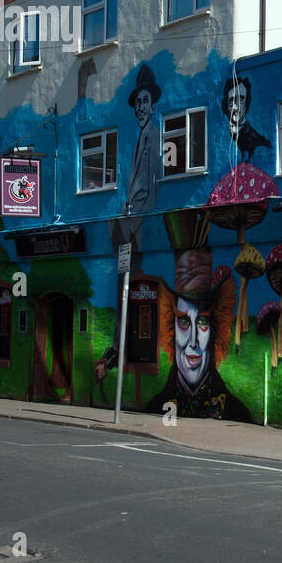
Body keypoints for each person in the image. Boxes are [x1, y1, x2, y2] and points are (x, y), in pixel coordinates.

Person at [147, 212, 249, 421]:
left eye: (202, 321)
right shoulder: (155, 406)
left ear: (215, 330)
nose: (193, 341)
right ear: (170, 328)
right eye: (184, 322)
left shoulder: (235, 411)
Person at [104, 65, 163, 371]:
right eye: (137, 103)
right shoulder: (141, 137)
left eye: (145, 102)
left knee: (128, 281)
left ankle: (120, 346)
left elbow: (152, 184)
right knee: (123, 281)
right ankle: (118, 345)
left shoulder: (153, 135)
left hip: (141, 222)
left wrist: (136, 215)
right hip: (132, 218)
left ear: (153, 105)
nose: (141, 107)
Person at [220, 75, 270, 161]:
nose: (236, 106)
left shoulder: (246, 129)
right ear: (226, 104)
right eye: (231, 100)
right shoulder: (231, 130)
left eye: (241, 99)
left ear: (247, 104)